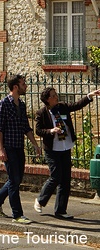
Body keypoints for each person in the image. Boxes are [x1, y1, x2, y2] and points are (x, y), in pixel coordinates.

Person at [34, 86, 100, 219]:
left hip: (65, 146)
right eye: (53, 95)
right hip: (52, 149)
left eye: (56, 94)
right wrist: (51, 131)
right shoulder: (41, 113)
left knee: (65, 180)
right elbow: (38, 130)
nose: (56, 97)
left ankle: (61, 210)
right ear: (47, 99)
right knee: (55, 176)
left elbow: (76, 105)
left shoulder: (62, 107)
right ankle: (40, 200)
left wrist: (90, 96)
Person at [0, 74, 41, 224]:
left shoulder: (22, 105)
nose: (25, 86)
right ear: (15, 87)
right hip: (9, 147)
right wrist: (0, 149)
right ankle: (17, 215)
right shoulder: (3, 104)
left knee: (16, 179)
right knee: (14, 181)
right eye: (23, 84)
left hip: (19, 146)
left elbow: (26, 127)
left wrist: (35, 144)